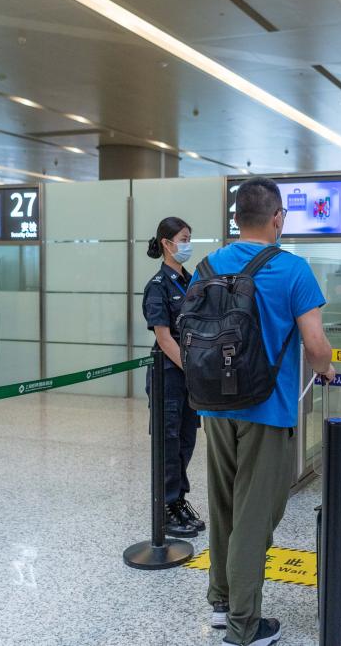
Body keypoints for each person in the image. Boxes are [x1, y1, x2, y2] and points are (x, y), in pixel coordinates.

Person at [191, 177, 336, 646]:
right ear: (277, 218)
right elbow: (315, 345)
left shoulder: (207, 265)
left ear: (237, 218)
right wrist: (328, 370)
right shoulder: (293, 270)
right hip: (267, 410)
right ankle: (244, 626)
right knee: (256, 516)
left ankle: (222, 602)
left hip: (214, 407)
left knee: (224, 505)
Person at [142, 217, 206, 539]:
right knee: (167, 444)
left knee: (185, 440)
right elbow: (165, 338)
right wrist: (190, 365)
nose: (187, 244)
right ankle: (165, 508)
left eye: (189, 238)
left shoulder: (191, 280)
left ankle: (178, 500)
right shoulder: (158, 286)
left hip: (189, 378)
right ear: (167, 243)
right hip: (169, 375)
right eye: (183, 238)